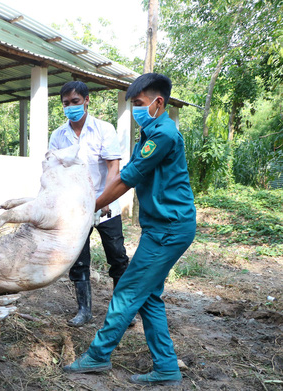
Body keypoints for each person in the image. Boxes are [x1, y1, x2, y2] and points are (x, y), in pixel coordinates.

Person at [62, 73, 196, 387]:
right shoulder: (149, 133)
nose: (135, 110)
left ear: (157, 103)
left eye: (138, 104)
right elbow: (123, 176)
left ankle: (98, 355)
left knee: (127, 291)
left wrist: (89, 207)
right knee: (148, 296)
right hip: (160, 227)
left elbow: (125, 179)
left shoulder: (163, 134)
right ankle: (165, 367)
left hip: (168, 229)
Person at [49, 81, 130, 327]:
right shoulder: (58, 135)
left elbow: (113, 167)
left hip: (105, 204)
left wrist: (105, 200)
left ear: (86, 101)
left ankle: (123, 312)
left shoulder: (103, 129)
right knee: (79, 257)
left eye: (75, 102)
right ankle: (84, 310)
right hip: (75, 208)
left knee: (117, 257)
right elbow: (55, 170)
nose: (70, 107)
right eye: (66, 104)